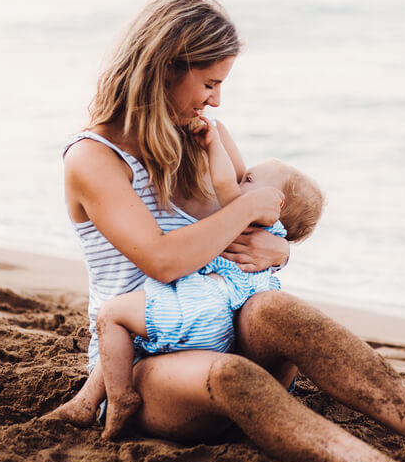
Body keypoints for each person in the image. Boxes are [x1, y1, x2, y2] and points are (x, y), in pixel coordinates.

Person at [43, 0, 405, 462]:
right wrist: (245, 213)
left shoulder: (206, 136)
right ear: (165, 67)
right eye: (209, 83)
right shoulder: (94, 159)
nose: (216, 99)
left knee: (277, 307)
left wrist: (282, 252)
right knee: (233, 375)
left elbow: (259, 231)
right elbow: (162, 259)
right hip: (147, 362)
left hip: (227, 320)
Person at [56, 124, 325, 439]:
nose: (241, 180)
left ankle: (100, 399)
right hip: (221, 324)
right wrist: (279, 245)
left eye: (249, 180)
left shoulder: (241, 203)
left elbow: (226, 183)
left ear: (274, 205)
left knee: (115, 317)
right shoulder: (94, 157)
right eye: (209, 85)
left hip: (197, 307)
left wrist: (214, 148)